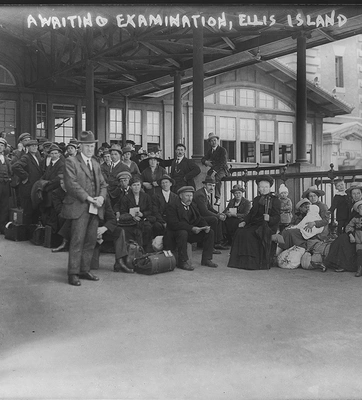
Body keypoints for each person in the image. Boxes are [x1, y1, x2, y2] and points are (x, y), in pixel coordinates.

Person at [62, 130, 108, 287]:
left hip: (95, 207)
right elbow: (71, 184)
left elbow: (103, 184)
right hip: (80, 207)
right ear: (80, 146)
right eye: (87, 146)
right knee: (77, 240)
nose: (90, 149)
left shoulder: (96, 163)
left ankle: (84, 269)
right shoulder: (71, 161)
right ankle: (73, 273)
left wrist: (101, 197)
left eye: (92, 146)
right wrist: (89, 198)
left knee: (90, 240)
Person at [227, 175, 281, 270]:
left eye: (266, 187)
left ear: (269, 188)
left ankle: (252, 263)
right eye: (261, 187)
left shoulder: (275, 200)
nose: (263, 189)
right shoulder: (256, 199)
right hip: (255, 223)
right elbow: (251, 213)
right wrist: (244, 221)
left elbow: (277, 217)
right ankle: (241, 261)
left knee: (249, 234)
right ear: (258, 188)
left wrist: (269, 218)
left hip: (267, 225)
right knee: (240, 231)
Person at [163, 186, 218, 271]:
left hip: (188, 232)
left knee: (210, 232)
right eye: (187, 196)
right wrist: (192, 228)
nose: (190, 198)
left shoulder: (192, 205)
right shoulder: (172, 206)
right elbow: (174, 224)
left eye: (191, 196)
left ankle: (206, 259)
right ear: (181, 196)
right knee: (183, 232)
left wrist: (205, 226)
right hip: (174, 234)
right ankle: (182, 262)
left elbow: (199, 218)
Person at [324, 182, 362, 273]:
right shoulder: (351, 204)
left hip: (359, 231)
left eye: (358, 193)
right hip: (352, 229)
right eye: (354, 194)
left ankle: (344, 265)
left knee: (344, 240)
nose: (356, 196)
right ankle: (334, 263)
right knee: (340, 240)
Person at [90, 195, 133, 274]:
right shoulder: (84, 200)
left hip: (102, 231)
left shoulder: (104, 200)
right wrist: (93, 231)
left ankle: (119, 261)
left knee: (119, 231)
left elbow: (112, 219)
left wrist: (103, 229)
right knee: (92, 266)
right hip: (88, 232)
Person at [280, 186, 330, 251]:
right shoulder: (309, 206)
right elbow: (304, 219)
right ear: (308, 198)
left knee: (291, 233)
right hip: (307, 227)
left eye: (315, 196)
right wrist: (293, 226)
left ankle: (289, 250)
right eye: (311, 196)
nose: (313, 198)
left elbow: (326, 220)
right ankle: (285, 251)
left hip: (319, 230)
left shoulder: (322, 206)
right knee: (286, 231)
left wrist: (314, 223)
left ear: (318, 196)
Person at [193, 175, 229, 251]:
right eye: (209, 185)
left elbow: (210, 208)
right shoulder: (200, 194)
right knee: (214, 219)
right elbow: (204, 211)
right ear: (205, 185)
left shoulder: (205, 193)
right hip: (196, 217)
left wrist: (219, 214)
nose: (212, 187)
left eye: (213, 185)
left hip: (201, 215)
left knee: (217, 218)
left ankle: (217, 243)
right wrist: (218, 216)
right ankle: (210, 246)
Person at [119, 176, 154, 253]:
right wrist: (132, 217)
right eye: (134, 185)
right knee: (130, 230)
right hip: (130, 221)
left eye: (138, 185)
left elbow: (150, 210)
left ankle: (146, 249)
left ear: (141, 185)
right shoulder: (126, 198)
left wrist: (143, 214)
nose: (136, 187)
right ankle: (133, 250)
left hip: (143, 219)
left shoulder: (146, 197)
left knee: (147, 228)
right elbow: (123, 212)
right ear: (130, 187)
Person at [12, 139, 43, 225]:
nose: (34, 147)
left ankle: (32, 233)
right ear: (27, 148)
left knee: (34, 211)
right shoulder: (26, 157)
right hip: (28, 188)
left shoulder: (36, 157)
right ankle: (27, 233)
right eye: (32, 146)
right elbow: (15, 166)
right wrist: (25, 177)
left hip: (34, 187)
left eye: (36, 146)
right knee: (28, 211)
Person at [39, 143, 65, 227]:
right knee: (48, 211)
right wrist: (41, 181)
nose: (54, 155)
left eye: (56, 153)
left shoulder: (61, 164)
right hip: (48, 190)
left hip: (55, 190)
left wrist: (47, 185)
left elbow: (58, 179)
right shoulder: (51, 163)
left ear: (59, 154)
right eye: (52, 153)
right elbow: (46, 175)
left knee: (53, 212)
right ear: (49, 154)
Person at [201, 132, 229, 206]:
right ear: (209, 142)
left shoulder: (222, 150)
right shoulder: (210, 151)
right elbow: (203, 158)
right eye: (211, 141)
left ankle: (218, 198)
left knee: (217, 178)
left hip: (222, 169)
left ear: (217, 141)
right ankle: (207, 196)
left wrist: (214, 171)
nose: (213, 142)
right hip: (214, 168)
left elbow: (222, 163)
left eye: (215, 140)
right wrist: (206, 162)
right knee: (208, 178)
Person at [107, 143, 131, 208]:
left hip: (118, 195)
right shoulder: (108, 166)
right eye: (112, 154)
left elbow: (126, 182)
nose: (113, 156)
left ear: (120, 155)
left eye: (115, 154)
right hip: (108, 195)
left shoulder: (124, 167)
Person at [345, 199, 362, 277]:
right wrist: (351, 235)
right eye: (361, 208)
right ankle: (359, 269)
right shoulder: (355, 218)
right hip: (359, 240)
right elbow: (348, 227)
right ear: (358, 210)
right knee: (359, 254)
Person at [0, 137, 12, 234]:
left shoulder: (6, 158)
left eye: (2, 145)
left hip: (5, 185)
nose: (0, 147)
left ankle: (2, 227)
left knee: (4, 206)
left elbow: (10, 172)